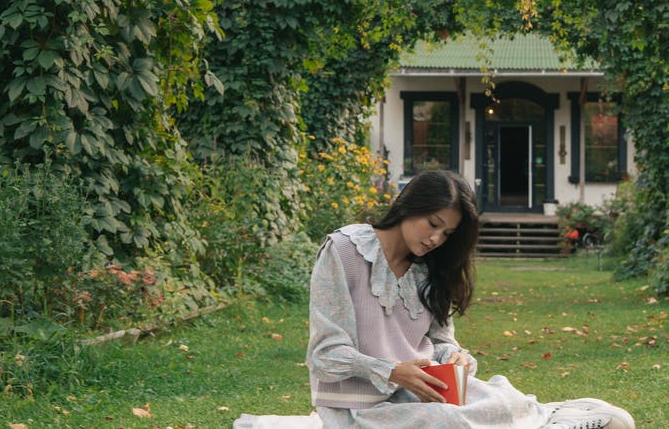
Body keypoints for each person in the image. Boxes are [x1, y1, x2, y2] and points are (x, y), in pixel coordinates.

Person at [235, 170, 634, 429]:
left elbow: (442, 341)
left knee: (498, 399)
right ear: (411, 206)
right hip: (359, 409)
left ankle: (556, 416)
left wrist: (454, 357)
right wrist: (392, 371)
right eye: (433, 224)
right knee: (449, 423)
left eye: (447, 234)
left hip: (426, 389)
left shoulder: (430, 269)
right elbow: (325, 353)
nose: (435, 239)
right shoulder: (344, 251)